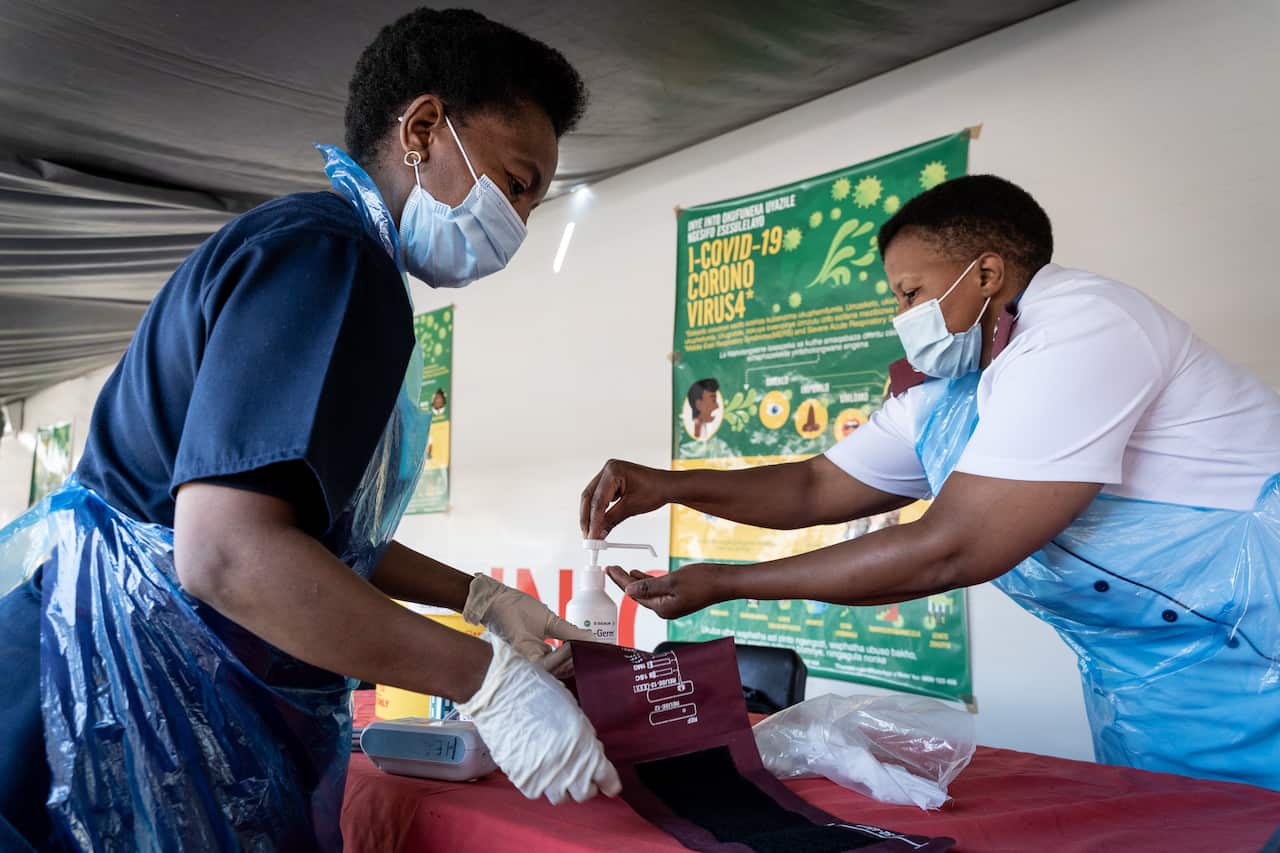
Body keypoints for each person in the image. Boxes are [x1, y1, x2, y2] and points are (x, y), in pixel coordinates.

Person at [0, 9, 619, 851]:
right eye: (514, 182)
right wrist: (486, 680)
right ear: (425, 128)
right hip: (102, 695)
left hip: (103, 667)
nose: (516, 221)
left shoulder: (310, 249)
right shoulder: (331, 263)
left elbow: (296, 522)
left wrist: (475, 596)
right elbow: (226, 551)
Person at [582, 175, 1280, 790]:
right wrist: (670, 484)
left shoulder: (1086, 326)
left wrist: (728, 583)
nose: (902, 317)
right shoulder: (958, 391)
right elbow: (818, 488)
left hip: (1260, 654)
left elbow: (954, 546)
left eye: (912, 292)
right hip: (1149, 684)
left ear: (985, 273)